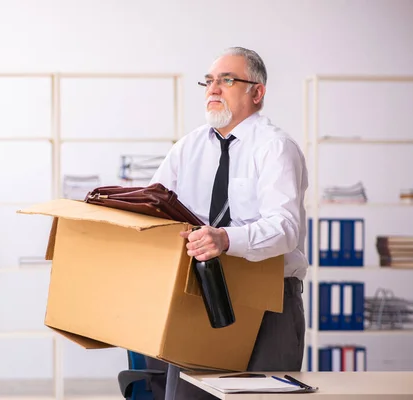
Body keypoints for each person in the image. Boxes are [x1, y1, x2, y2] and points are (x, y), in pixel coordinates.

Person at [144, 46, 309, 400]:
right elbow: (153, 207)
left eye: (227, 80)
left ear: (257, 92)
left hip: (269, 302)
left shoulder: (275, 147)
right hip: (197, 293)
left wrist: (226, 239)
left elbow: (286, 229)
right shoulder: (187, 148)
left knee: (262, 396)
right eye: (209, 82)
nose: (213, 89)